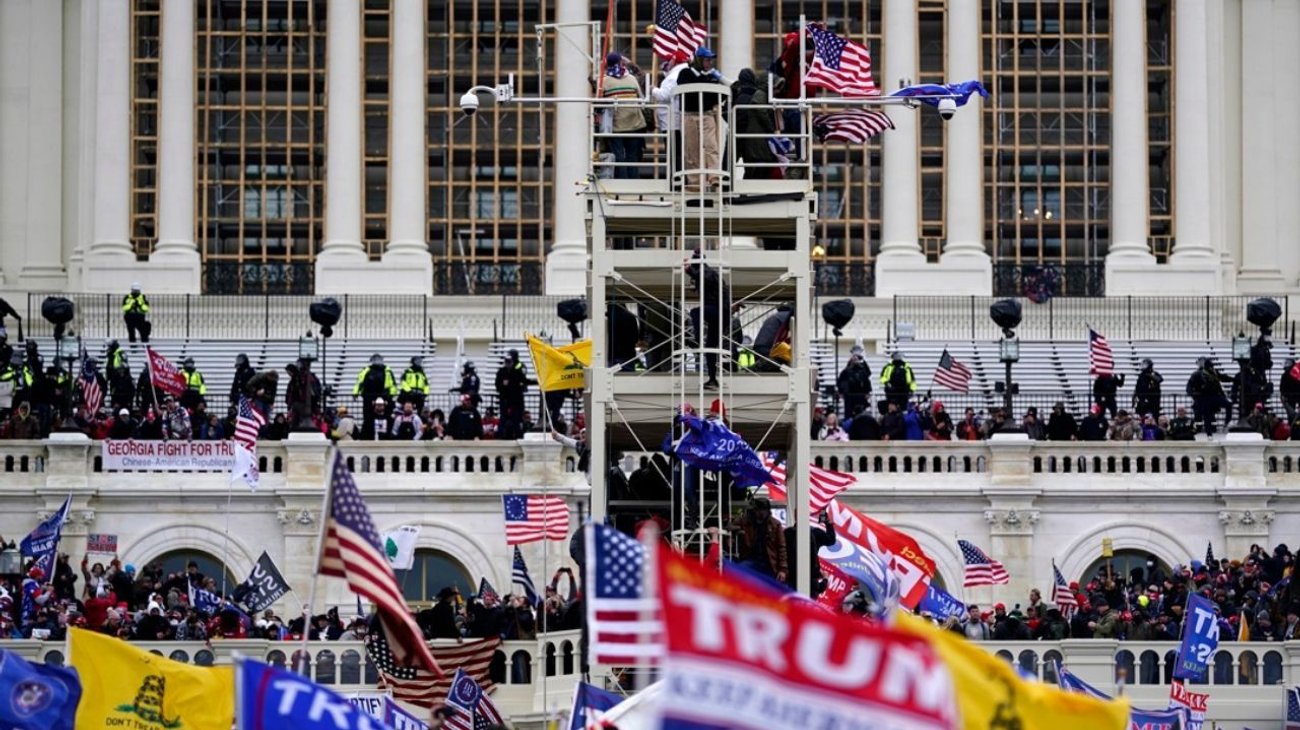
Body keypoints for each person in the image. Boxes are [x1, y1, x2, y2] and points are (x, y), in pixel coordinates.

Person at [674, 47, 726, 192]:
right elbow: (686, 87)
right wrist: (706, 81)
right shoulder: (685, 73)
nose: (709, 63)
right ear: (699, 60)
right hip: (689, 115)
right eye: (707, 60)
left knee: (711, 146)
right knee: (692, 150)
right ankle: (695, 183)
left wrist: (716, 79)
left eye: (710, 60)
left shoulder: (711, 77)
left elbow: (719, 95)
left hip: (707, 114)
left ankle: (714, 176)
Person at [685, 255, 731, 389]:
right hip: (720, 314)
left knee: (695, 312)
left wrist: (689, 270)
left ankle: (697, 339)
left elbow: (705, 277)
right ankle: (712, 379)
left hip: (718, 310)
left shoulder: (707, 272)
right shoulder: (708, 276)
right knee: (710, 347)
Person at [600, 52, 646, 179]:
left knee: (619, 157)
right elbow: (642, 99)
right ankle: (634, 182)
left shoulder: (603, 82)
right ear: (621, 63)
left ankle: (623, 180)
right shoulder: (632, 79)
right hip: (635, 124)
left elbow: (599, 101)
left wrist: (601, 66)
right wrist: (629, 62)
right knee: (632, 157)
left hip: (616, 127)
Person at [728, 498, 787, 582]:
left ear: (767, 511)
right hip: (751, 560)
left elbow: (782, 547)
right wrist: (735, 533)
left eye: (763, 510)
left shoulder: (775, 524)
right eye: (759, 510)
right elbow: (730, 526)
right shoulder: (746, 521)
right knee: (739, 573)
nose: (761, 513)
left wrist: (782, 569)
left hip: (769, 563)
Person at [1187, 357, 1232, 436]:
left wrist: (1234, 379)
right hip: (1204, 398)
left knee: (1228, 405)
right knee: (1206, 415)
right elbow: (1189, 387)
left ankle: (1226, 422)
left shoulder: (1214, 372)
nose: (1212, 368)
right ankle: (1208, 434)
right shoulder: (1197, 374)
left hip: (1215, 396)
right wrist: (1195, 396)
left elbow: (1223, 377)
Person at [494, 350, 529, 438]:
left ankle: (517, 435)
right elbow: (498, 385)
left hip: (516, 398)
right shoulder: (502, 371)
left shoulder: (519, 367)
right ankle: (502, 435)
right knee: (504, 418)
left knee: (516, 418)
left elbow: (522, 380)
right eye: (506, 361)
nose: (507, 363)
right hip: (505, 398)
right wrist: (504, 385)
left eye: (509, 361)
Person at [837, 350, 872, 419]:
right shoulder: (846, 371)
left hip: (860, 395)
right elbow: (841, 381)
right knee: (849, 413)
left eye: (856, 359)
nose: (855, 361)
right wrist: (841, 392)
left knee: (860, 412)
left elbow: (867, 380)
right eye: (853, 360)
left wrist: (867, 392)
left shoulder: (862, 371)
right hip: (849, 396)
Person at [1281, 358, 1300, 425]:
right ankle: (1292, 426)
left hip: (1297, 395)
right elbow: (1282, 387)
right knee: (1291, 415)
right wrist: (1283, 395)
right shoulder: (1285, 375)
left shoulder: (1297, 372)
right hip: (1289, 397)